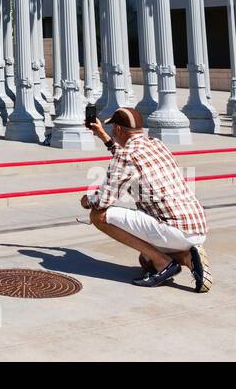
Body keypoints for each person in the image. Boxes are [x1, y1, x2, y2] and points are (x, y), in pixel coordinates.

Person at [81, 106, 212, 291]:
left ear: (118, 130)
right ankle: (187, 257)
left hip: (173, 228)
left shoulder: (126, 156)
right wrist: (103, 136)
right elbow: (128, 155)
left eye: (112, 128)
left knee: (98, 216)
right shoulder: (156, 144)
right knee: (145, 261)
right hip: (197, 226)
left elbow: (103, 201)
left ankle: (164, 264)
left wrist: (87, 200)